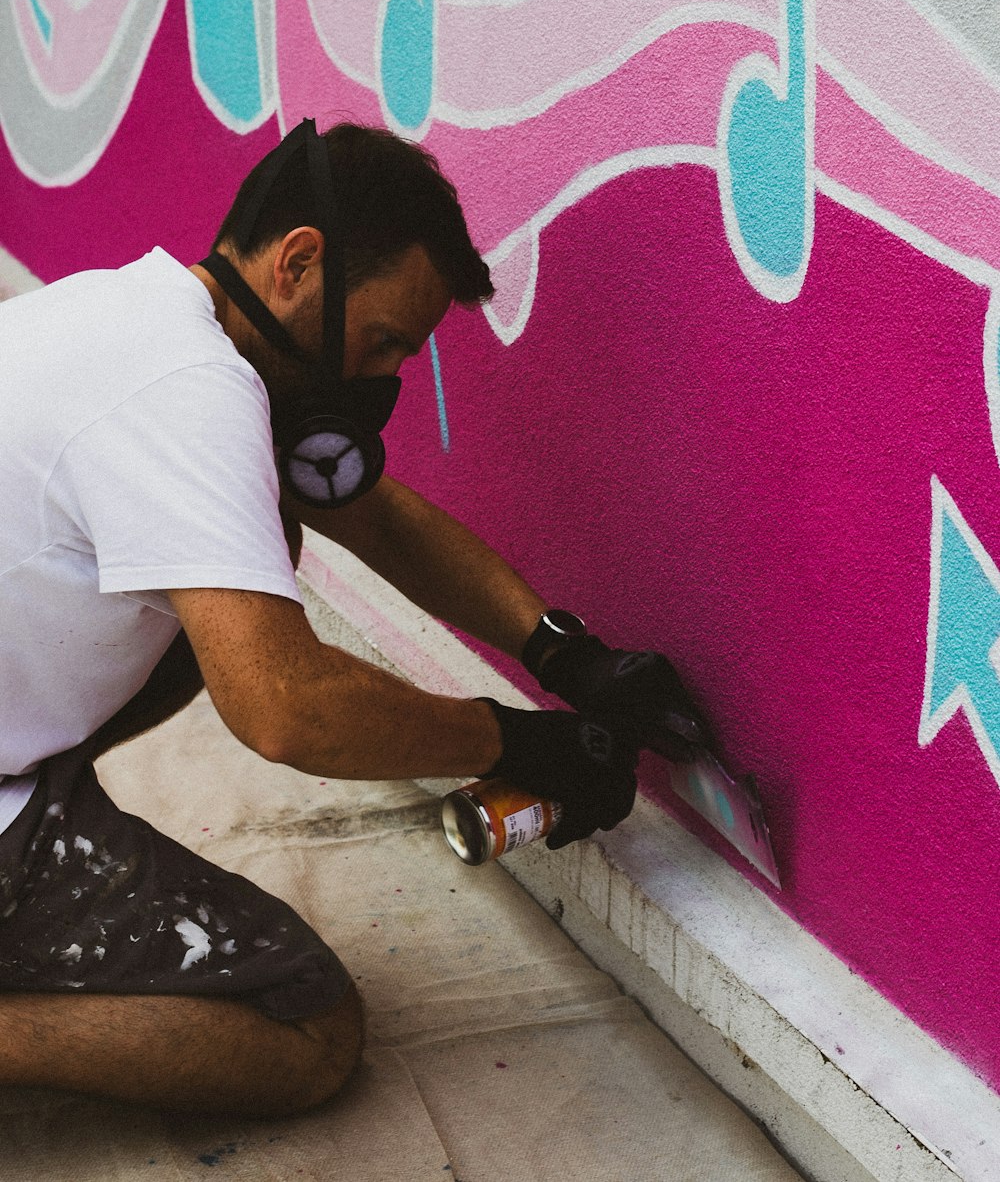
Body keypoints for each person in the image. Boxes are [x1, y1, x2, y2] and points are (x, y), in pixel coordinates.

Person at [0, 120, 709, 1119]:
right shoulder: (188, 393)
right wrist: (513, 741)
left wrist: (563, 655)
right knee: (304, 1029)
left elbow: (367, 512)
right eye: (381, 342)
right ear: (299, 262)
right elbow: (288, 710)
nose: (379, 382)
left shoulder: (126, 316)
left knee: (260, 542)